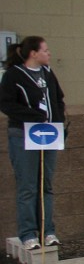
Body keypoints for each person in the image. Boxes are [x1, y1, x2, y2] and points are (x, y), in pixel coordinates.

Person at [1, 36, 66, 250]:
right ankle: (28, 234)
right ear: (33, 53)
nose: (49, 54)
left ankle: (48, 231)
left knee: (45, 184)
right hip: (24, 135)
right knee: (28, 186)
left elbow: (58, 98)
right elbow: (7, 104)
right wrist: (33, 115)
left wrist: (58, 120)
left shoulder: (47, 74)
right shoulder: (14, 75)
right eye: (45, 50)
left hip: (49, 134)